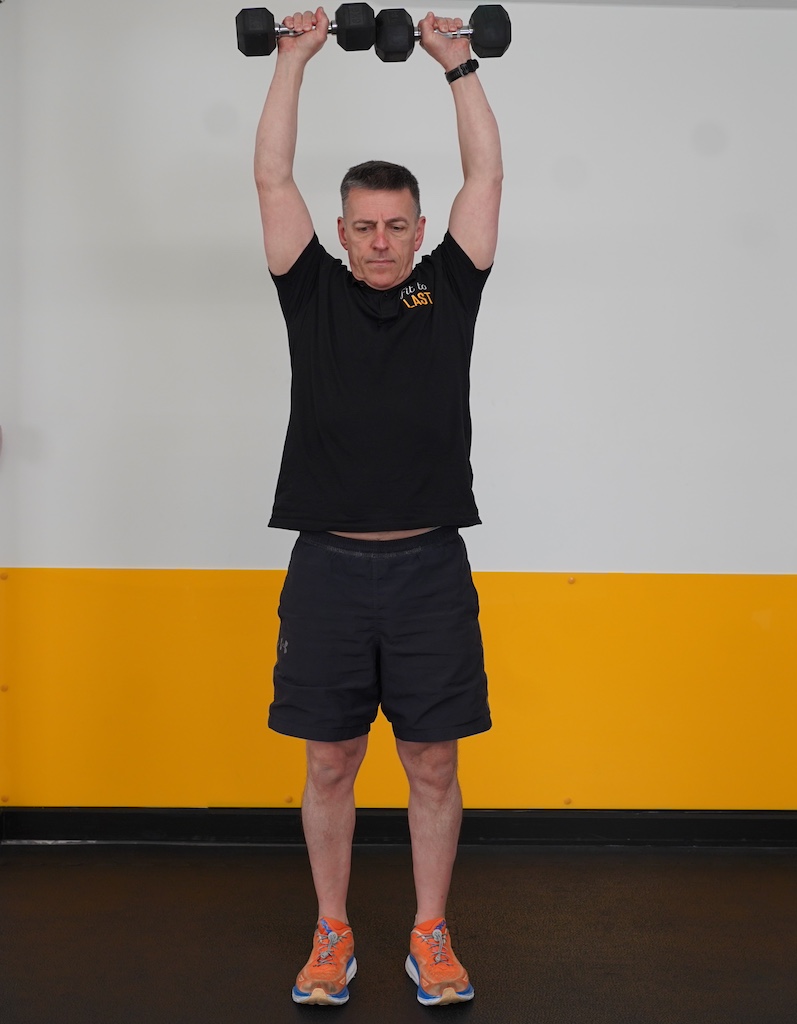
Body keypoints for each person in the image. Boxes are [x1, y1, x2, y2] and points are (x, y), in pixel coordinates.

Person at [253, 5, 502, 1007]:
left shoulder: (448, 288)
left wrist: (457, 65)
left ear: (419, 227)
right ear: (342, 226)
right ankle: (332, 932)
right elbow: (271, 176)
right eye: (363, 225)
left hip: (428, 566)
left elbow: (484, 175)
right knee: (329, 762)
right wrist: (292, 60)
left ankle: (430, 933)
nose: (381, 240)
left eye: (397, 224)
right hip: (327, 567)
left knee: (432, 767)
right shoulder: (308, 291)